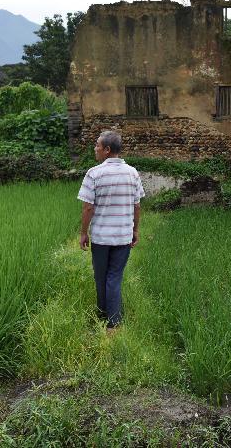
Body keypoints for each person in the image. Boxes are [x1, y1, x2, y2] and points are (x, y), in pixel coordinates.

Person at [77, 131, 145, 330]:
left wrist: (83, 233)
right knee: (114, 276)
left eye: (97, 145)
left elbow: (88, 207)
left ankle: (109, 321)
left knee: (101, 276)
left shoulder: (94, 173)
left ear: (107, 150)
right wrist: (135, 230)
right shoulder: (132, 172)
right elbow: (137, 205)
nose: (95, 148)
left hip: (100, 237)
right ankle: (109, 318)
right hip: (123, 236)